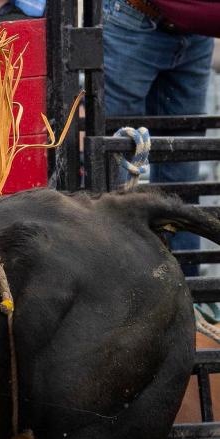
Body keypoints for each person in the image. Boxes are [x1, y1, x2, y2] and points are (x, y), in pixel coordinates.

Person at [103, 0, 214, 265]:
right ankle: (117, 275)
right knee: (114, 169)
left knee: (180, 172)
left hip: (187, 28)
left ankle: (181, 281)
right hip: (140, 19)